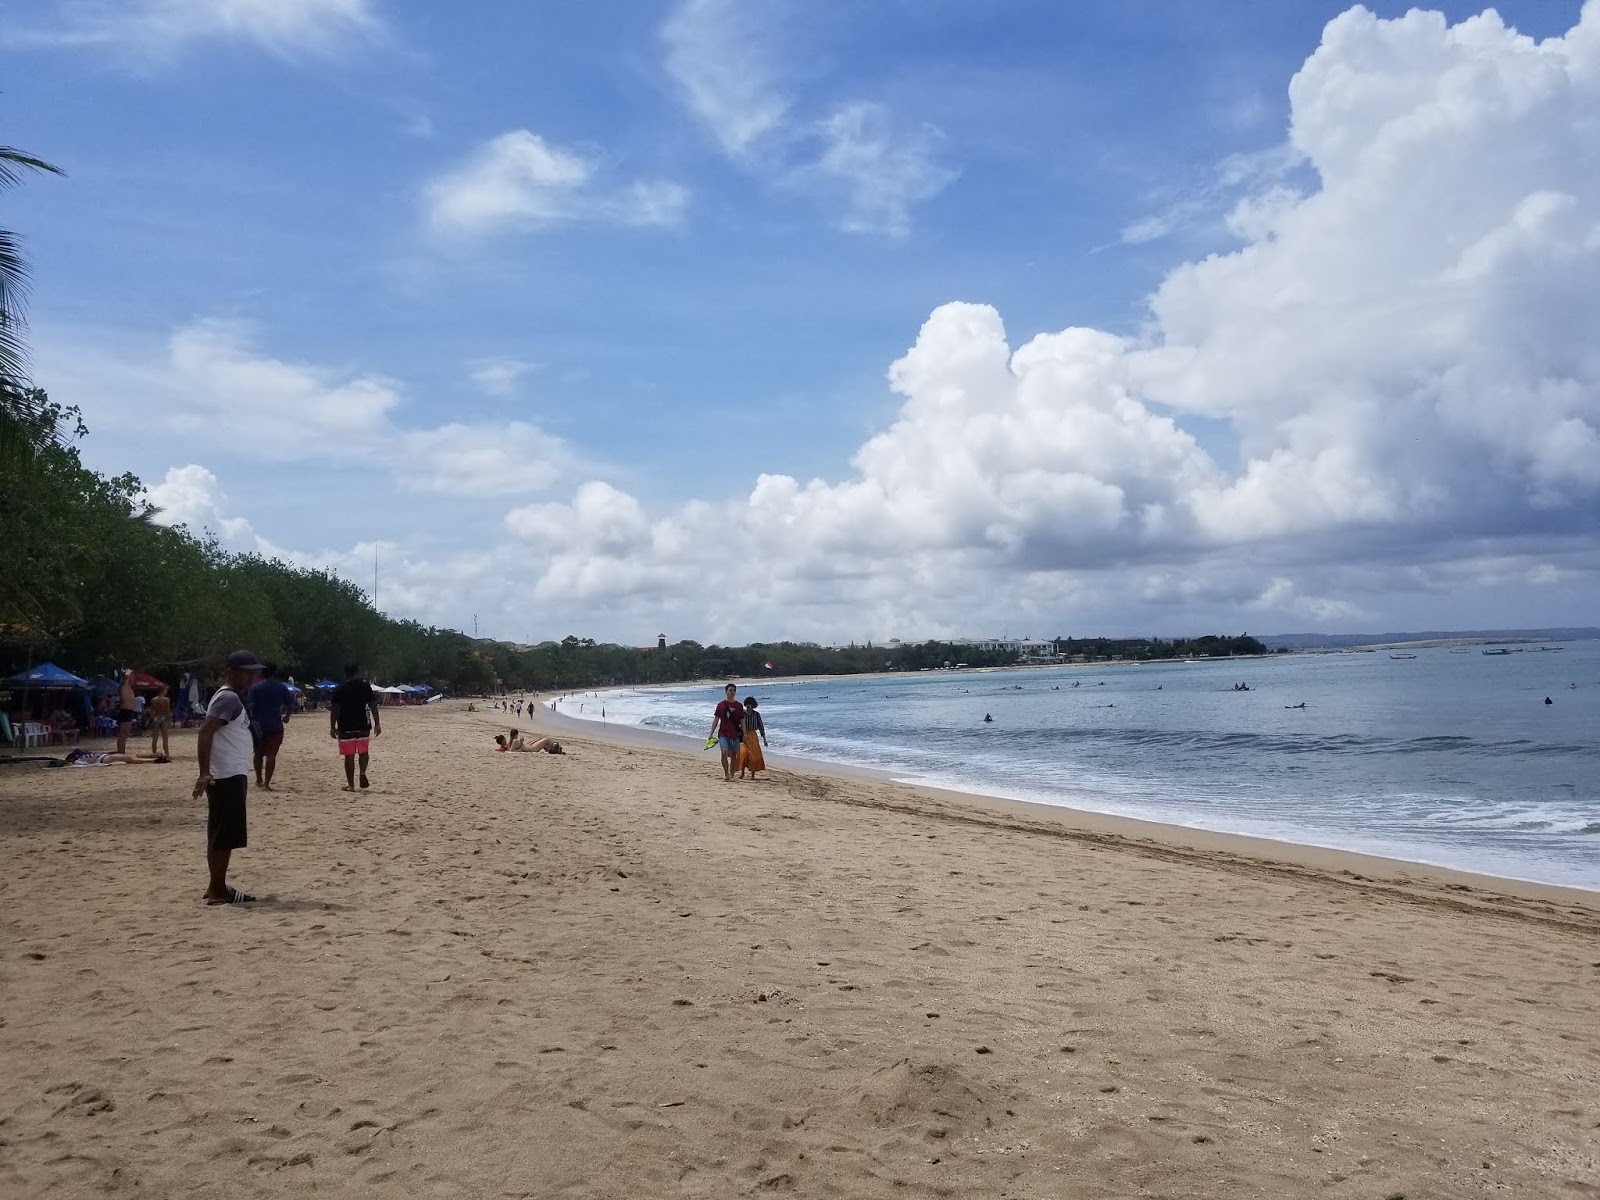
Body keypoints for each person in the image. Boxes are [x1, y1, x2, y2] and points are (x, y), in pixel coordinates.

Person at [193, 650, 266, 904]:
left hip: (228, 772)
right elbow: (206, 731)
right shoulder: (229, 699)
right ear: (232, 671)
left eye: (254, 673)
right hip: (226, 774)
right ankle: (218, 890)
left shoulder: (231, 698)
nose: (252, 677)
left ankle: (215, 884)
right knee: (224, 835)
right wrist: (204, 771)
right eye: (247, 672)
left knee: (219, 833)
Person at [330, 663, 381, 791]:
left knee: (349, 755)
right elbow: (373, 705)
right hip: (363, 724)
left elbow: (335, 709)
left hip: (345, 725)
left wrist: (332, 726)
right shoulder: (365, 686)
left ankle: (351, 785)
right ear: (357, 672)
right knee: (364, 752)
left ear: (345, 673)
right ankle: (362, 773)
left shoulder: (341, 688)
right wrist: (377, 724)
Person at [247, 664, 294, 791]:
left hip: (258, 726)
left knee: (257, 753)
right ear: (275, 673)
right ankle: (267, 783)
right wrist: (287, 716)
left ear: (262, 673)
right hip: (275, 725)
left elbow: (250, 705)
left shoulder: (255, 688)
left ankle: (259, 779)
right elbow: (290, 703)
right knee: (271, 755)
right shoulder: (281, 688)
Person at [707, 683, 744, 781]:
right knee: (724, 753)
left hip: (735, 734)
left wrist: (745, 734)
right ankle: (726, 773)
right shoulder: (721, 705)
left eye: (734, 690)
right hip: (723, 733)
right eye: (730, 690)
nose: (732, 692)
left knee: (733, 756)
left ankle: (732, 773)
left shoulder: (739, 705)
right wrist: (711, 733)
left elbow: (742, 720)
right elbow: (716, 719)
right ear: (726, 691)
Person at [737, 696, 768, 779]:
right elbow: (736, 724)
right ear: (745, 705)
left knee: (753, 755)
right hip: (744, 735)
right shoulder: (742, 714)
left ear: (754, 706)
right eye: (748, 705)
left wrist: (764, 739)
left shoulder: (757, 715)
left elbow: (761, 727)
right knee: (743, 754)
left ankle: (752, 775)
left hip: (753, 735)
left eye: (751, 705)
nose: (749, 707)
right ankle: (742, 773)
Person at [148, 685, 173, 760]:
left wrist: (150, 720)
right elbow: (168, 711)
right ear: (163, 690)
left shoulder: (153, 700)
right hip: (163, 717)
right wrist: (170, 720)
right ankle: (167, 754)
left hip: (156, 717)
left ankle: (154, 753)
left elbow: (152, 712)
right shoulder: (166, 700)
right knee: (165, 738)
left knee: (155, 738)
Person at [494, 729, 564, 754]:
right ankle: (556, 747)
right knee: (547, 740)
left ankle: (554, 751)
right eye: (504, 740)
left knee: (543, 741)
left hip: (528, 747)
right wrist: (521, 746)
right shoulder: (514, 741)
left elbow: (509, 749)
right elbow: (511, 751)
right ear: (516, 735)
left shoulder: (509, 743)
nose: (506, 740)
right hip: (531, 749)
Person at [116, 669, 136, 754]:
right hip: (125, 711)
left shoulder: (130, 687)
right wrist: (128, 671)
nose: (133, 678)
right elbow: (126, 677)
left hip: (129, 711)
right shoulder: (124, 686)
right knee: (122, 735)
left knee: (125, 734)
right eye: (132, 677)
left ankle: (122, 752)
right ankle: (121, 753)